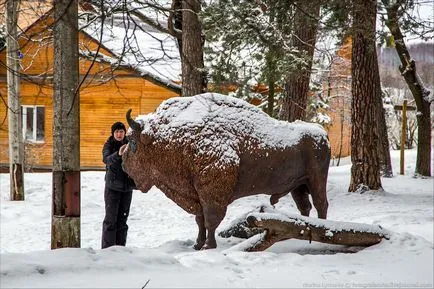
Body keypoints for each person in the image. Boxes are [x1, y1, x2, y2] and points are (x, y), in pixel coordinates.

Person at [101, 121, 136, 249]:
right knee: (111, 221)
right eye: (116, 132)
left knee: (123, 221)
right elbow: (106, 159)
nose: (119, 134)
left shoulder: (130, 144)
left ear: (124, 133)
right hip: (112, 187)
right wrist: (118, 154)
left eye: (121, 131)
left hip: (127, 188)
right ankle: (108, 250)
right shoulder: (109, 145)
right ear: (113, 133)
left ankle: (120, 248)